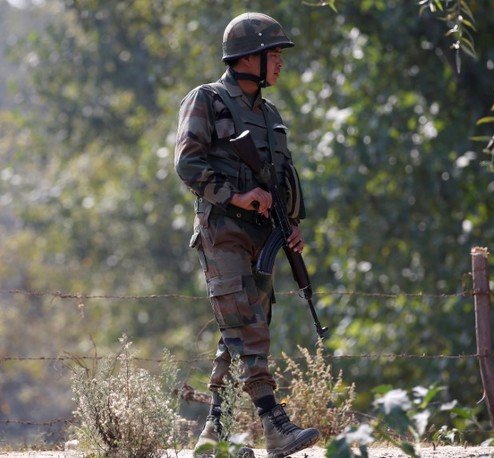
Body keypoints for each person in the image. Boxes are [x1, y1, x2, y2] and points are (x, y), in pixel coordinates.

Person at [174, 12, 320, 458]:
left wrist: (291, 224)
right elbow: (188, 164)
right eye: (272, 54)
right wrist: (237, 197)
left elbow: (283, 178)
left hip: (264, 238)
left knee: (237, 331)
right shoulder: (209, 100)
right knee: (248, 328)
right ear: (247, 57)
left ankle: (211, 434)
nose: (279, 62)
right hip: (225, 234)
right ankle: (276, 426)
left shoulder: (270, 114)